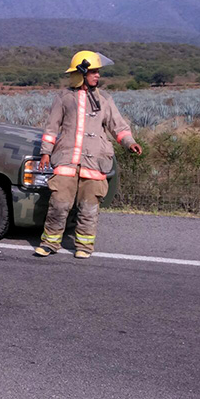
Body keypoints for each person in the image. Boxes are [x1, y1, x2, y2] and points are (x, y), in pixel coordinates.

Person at [35, 51, 142, 259]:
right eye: (93, 72)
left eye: (98, 72)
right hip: (66, 162)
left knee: (89, 208)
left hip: (95, 162)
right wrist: (45, 153)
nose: (97, 76)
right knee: (59, 204)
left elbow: (117, 126)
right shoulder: (64, 98)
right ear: (81, 73)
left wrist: (130, 142)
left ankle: (84, 246)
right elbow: (51, 128)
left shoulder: (105, 99)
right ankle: (50, 243)